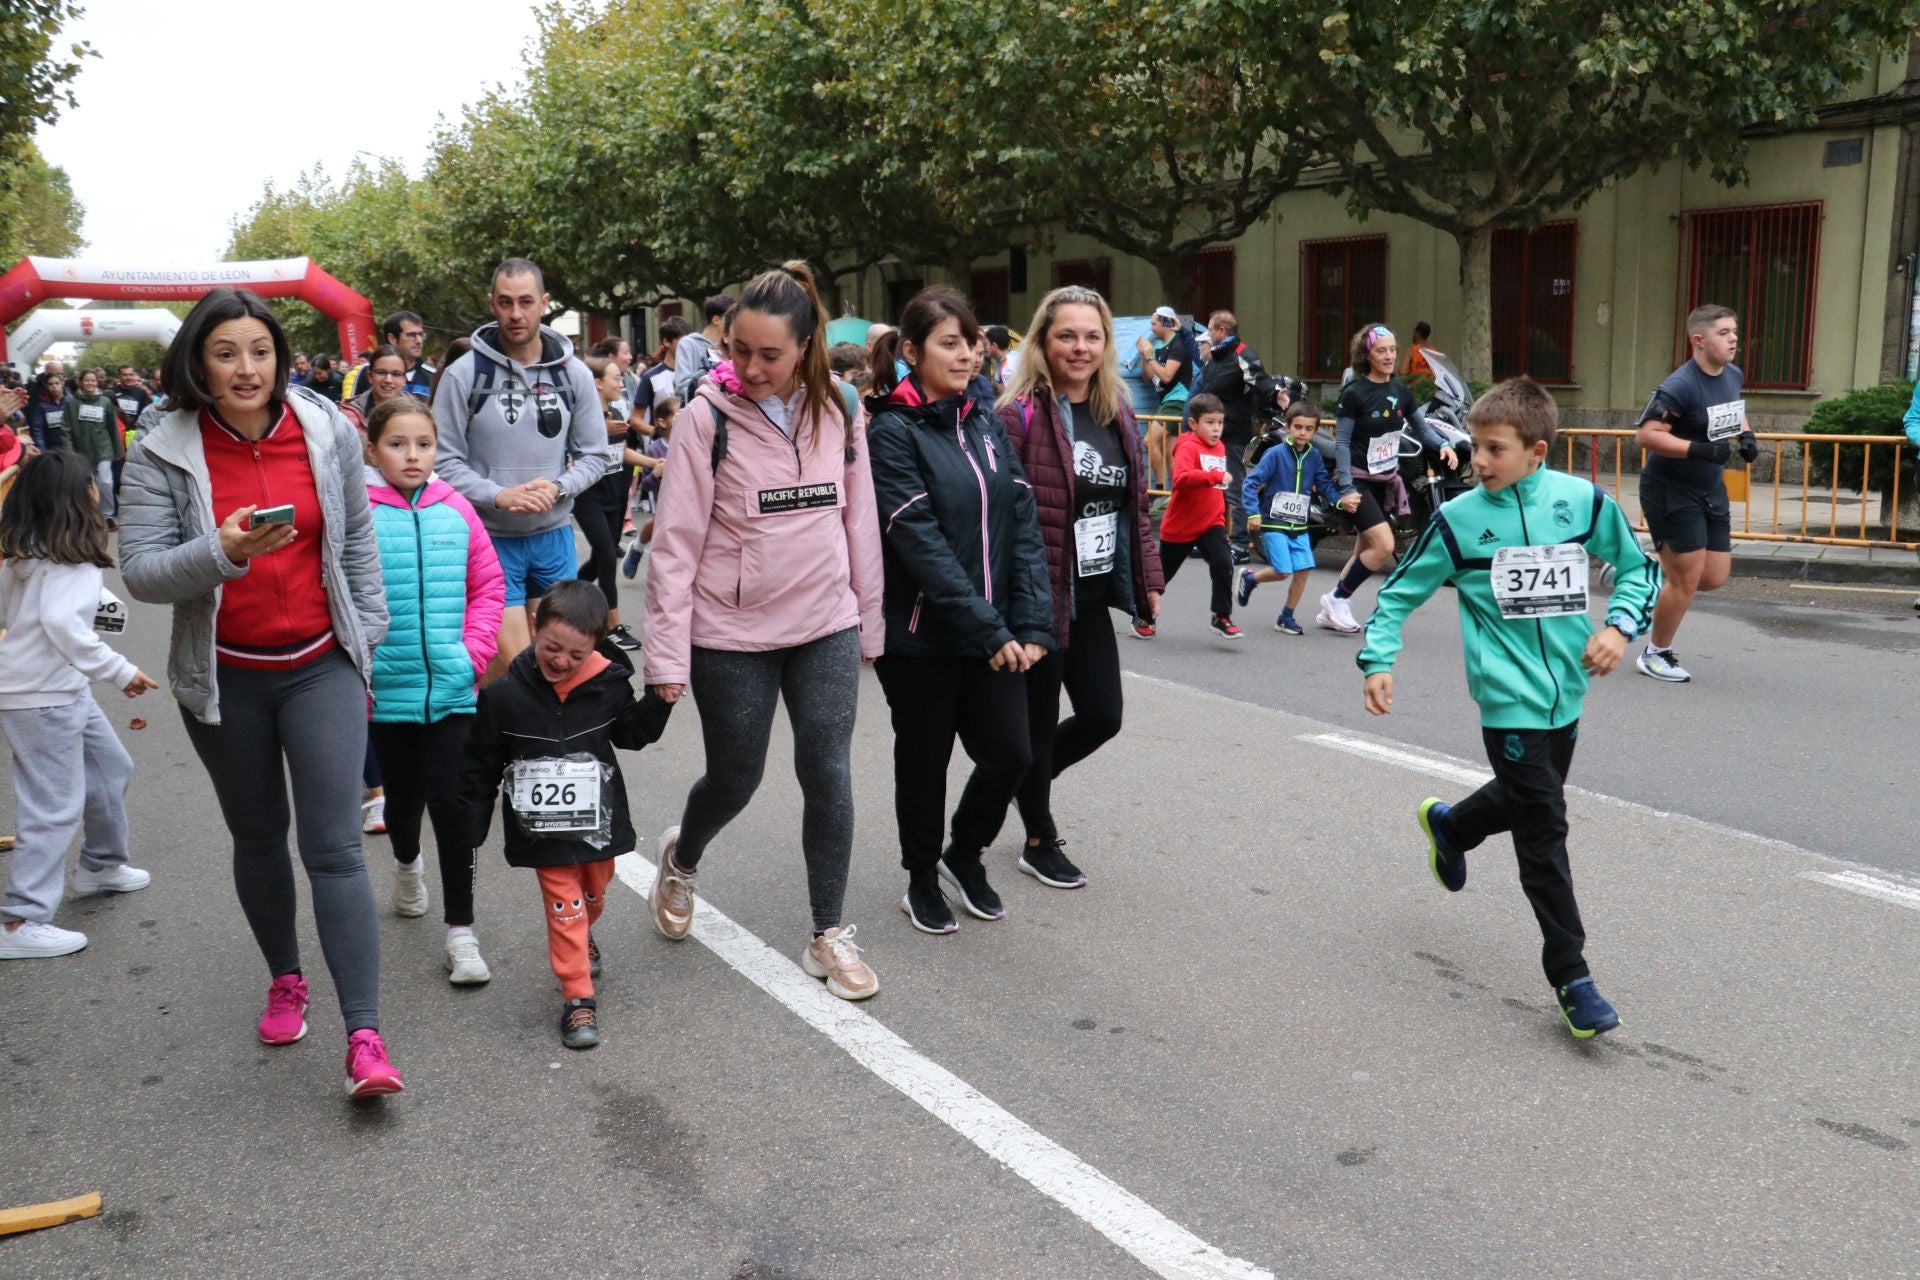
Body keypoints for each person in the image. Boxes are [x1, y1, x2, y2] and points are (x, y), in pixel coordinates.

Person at [119, 287, 402, 1097]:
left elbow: (355, 542)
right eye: (225, 353)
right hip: (225, 676)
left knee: (337, 848)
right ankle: (286, 975)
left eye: (260, 351)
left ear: (280, 357)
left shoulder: (325, 430)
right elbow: (139, 571)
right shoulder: (161, 448)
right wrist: (223, 549)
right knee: (257, 835)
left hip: (322, 665)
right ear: (198, 364)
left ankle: (366, 1039)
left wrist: (366, 642)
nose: (247, 369)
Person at [1358, 379, 1660, 1040]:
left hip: (1568, 694)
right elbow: (1399, 592)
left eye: (1495, 449)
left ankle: (1454, 827)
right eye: (1476, 447)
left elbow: (1640, 569)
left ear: (1537, 450)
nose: (1480, 462)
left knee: (1531, 798)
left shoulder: (1581, 502)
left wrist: (1619, 627)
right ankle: (1572, 976)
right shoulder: (1458, 519)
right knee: (1544, 827)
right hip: (1506, 703)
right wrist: (1378, 660)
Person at [642, 261, 883, 1000]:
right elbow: (675, 544)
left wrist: (868, 622)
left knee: (827, 768)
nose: (748, 366)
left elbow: (858, 519)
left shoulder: (841, 406)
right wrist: (664, 657)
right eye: (738, 349)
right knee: (735, 777)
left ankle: (828, 933)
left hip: (824, 622)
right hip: (731, 633)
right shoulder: (704, 420)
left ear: (807, 347)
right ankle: (683, 859)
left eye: (769, 355)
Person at [865, 287, 1052, 934]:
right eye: (950, 342)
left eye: (972, 341)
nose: (968, 354)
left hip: (992, 631)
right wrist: (988, 627)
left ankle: (962, 853)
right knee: (925, 759)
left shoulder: (985, 417)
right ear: (912, 352)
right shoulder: (891, 430)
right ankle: (920, 874)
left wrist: (1030, 622)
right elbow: (918, 541)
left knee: (1012, 754)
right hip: (921, 637)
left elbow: (1023, 523)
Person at [995, 286, 1164, 886]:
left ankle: (1015, 784)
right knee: (1036, 727)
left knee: (1101, 715)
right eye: (1067, 335)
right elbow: (1002, 517)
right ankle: (1039, 835)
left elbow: (1133, 503)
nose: (1080, 347)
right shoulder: (1018, 416)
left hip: (1090, 593)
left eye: (1092, 336)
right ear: (1042, 341)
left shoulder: (1115, 409)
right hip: (1039, 596)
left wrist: (1149, 575)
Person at [458, 581, 673, 1048]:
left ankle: (584, 932)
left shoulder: (609, 686)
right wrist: (470, 825)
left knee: (593, 895)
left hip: (598, 826)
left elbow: (632, 735)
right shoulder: (504, 697)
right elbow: (480, 764)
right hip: (543, 833)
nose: (560, 660)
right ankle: (578, 1001)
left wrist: (660, 702)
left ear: (595, 646)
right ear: (534, 626)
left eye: (575, 655)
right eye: (551, 647)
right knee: (565, 906)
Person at [363, 397, 505, 984]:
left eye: (423, 443)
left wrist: (471, 655)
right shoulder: (358, 513)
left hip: (450, 688)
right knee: (401, 800)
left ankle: (461, 933)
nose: (412, 455)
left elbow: (488, 586)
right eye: (397, 444)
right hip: (385, 692)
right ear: (373, 450)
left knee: (454, 806)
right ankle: (405, 865)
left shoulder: (458, 510)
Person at [0, 452, 157, 960]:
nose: (97, 490)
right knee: (53, 805)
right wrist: (120, 671)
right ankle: (21, 920)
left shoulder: (29, 550)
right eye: (91, 484)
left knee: (110, 767)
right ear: (77, 495)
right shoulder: (69, 559)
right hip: (42, 694)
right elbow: (63, 626)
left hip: (54, 687)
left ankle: (100, 866)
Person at [432, 258, 612, 681]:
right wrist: (498, 494)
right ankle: (505, 748)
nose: (516, 314)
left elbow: (595, 455)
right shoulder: (463, 376)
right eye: (507, 302)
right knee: (513, 670)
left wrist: (559, 487)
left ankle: (553, 749)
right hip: (489, 541)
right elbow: (440, 461)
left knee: (561, 664)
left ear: (544, 303)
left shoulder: (574, 374)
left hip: (553, 537)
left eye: (526, 302)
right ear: (492, 303)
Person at [1633, 304, 1755, 683]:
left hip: (1709, 487)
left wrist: (1746, 434)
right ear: (1699, 341)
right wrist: (1697, 448)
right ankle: (1655, 653)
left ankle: (1650, 570)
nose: (1733, 338)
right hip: (1670, 488)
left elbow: (1733, 410)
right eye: (1724, 333)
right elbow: (1646, 435)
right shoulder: (1679, 386)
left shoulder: (1731, 374)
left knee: (1713, 576)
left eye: (1735, 331)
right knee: (1686, 579)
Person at [1320, 324, 1458, 634]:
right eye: (1381, 350)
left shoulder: (1401, 392)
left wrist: (1444, 445)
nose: (1389, 355)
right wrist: (1345, 487)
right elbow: (1341, 443)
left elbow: (1422, 430)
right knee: (1383, 545)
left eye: (1392, 349)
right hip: (1358, 479)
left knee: (1361, 551)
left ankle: (1333, 608)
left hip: (1385, 479)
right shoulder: (1354, 393)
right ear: (1366, 354)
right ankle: (1337, 598)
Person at [1239, 400, 1342, 634]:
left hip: (1299, 525)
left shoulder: (1314, 456)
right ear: (1288, 427)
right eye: (1297, 427)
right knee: (1282, 571)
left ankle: (1286, 617)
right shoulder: (1275, 454)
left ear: (1315, 431)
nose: (1302, 433)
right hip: (1274, 522)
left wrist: (1338, 501)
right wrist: (1253, 512)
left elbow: (1323, 484)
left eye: (1308, 429)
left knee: (1303, 569)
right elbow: (1251, 482)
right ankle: (1250, 579)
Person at [1156, 392, 1240, 638]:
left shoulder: (1220, 447)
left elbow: (1217, 491)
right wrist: (1213, 477)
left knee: (1224, 564)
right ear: (1193, 424)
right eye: (1210, 422)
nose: (1216, 429)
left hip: (1211, 523)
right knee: (1160, 578)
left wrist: (1224, 520)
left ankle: (1221, 616)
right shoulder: (1187, 446)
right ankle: (1142, 611)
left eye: (1220, 422)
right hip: (1180, 526)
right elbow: (1181, 479)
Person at [573, 354, 640, 650]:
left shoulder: (614, 412)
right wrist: (602, 431)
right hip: (589, 498)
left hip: (614, 496)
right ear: (597, 384)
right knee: (606, 556)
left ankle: (567, 596)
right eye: (616, 378)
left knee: (600, 558)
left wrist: (655, 461)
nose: (621, 384)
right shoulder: (582, 416)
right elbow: (573, 449)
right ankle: (613, 627)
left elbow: (622, 453)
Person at [1193, 311, 1263, 561]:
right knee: (1212, 487)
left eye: (1211, 329)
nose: (1208, 335)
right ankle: (1212, 540)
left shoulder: (1243, 354)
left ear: (1222, 331)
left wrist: (1277, 396)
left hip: (1233, 434)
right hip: (1210, 434)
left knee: (1234, 488)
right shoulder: (1215, 358)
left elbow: (1260, 382)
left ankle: (1240, 546)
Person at [1135, 305, 1196, 493]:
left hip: (1177, 400)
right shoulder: (1158, 346)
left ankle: (1160, 489)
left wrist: (1150, 355)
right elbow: (1147, 376)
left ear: (1165, 323)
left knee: (1149, 441)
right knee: (1171, 451)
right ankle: (1175, 493)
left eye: (1154, 324)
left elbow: (1167, 376)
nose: (1151, 328)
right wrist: (1145, 356)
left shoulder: (1178, 345)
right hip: (1166, 401)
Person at [62, 368, 125, 530]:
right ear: (80, 382)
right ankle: (89, 515)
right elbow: (66, 429)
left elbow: (113, 427)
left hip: (104, 449)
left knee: (105, 482)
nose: (90, 383)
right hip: (81, 451)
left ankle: (108, 515)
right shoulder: (72, 403)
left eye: (93, 381)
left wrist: (118, 450)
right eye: (87, 380)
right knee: (86, 484)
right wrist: (69, 452)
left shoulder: (105, 402)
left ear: (97, 383)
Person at [621, 395, 674, 580]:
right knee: (659, 523)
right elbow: (647, 485)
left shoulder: (690, 441)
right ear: (663, 422)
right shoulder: (655, 449)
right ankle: (638, 548)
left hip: (685, 498)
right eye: (678, 414)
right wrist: (657, 473)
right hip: (661, 496)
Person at [673, 295, 734, 404]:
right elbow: (683, 386)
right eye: (729, 318)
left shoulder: (731, 346)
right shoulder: (688, 344)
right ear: (716, 320)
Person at [340, 344, 411, 433]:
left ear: (404, 379)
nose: (388, 380)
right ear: (370, 376)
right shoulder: (348, 418)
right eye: (381, 372)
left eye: (396, 374)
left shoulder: (418, 414)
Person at [632, 317, 688, 427]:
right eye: (682, 340)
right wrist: (658, 434)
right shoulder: (650, 377)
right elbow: (636, 419)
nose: (687, 346)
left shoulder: (696, 375)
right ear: (666, 342)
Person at [382, 310, 435, 399]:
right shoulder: (371, 372)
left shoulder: (433, 376)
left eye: (421, 335)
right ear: (392, 339)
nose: (419, 341)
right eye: (411, 335)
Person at [25, 371, 66, 453]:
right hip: (51, 450)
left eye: (57, 383)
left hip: (68, 448)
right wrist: (43, 451)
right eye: (51, 384)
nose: (54, 386)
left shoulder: (70, 402)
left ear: (62, 384)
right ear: (46, 386)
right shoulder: (41, 407)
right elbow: (38, 431)